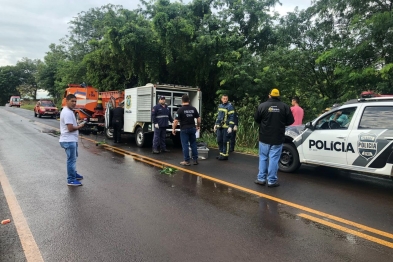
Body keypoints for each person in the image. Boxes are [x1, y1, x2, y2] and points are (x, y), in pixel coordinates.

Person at [254, 88, 294, 187]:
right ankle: (271, 181)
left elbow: (257, 119)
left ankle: (261, 179)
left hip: (264, 137)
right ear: (278, 96)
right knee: (274, 159)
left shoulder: (262, 106)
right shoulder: (284, 107)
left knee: (263, 158)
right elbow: (290, 121)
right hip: (278, 137)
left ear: (269, 95)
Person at [59, 94, 85, 186]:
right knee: (71, 160)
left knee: (73, 159)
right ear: (67, 101)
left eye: (75, 101)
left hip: (70, 139)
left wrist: (77, 123)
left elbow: (70, 124)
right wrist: (79, 126)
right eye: (72, 101)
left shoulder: (68, 111)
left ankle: (73, 174)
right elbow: (70, 128)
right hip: (68, 140)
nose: (74, 103)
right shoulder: (68, 112)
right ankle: (71, 179)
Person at [172, 95, 201, 166]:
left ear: (182, 101)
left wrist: (173, 129)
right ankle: (195, 160)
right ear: (189, 100)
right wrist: (198, 126)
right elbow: (199, 118)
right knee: (193, 144)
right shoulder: (193, 109)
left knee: (185, 145)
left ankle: (187, 161)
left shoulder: (180, 110)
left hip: (184, 129)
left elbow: (175, 121)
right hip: (192, 128)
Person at [214, 94, 235, 160]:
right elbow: (218, 116)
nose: (225, 100)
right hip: (219, 126)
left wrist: (231, 127)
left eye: (226, 98)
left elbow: (232, 117)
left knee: (225, 141)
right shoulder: (220, 106)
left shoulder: (230, 106)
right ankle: (221, 153)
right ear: (221, 99)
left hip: (226, 127)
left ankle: (225, 155)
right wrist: (215, 124)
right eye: (224, 98)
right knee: (219, 140)